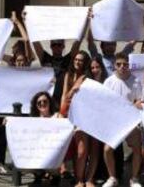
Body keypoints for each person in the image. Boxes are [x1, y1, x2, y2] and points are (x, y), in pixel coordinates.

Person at [102, 52, 143, 187]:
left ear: (129, 65)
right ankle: (113, 177)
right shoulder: (108, 82)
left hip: (131, 122)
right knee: (107, 150)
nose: (122, 67)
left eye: (125, 64)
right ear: (115, 66)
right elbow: (104, 102)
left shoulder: (136, 81)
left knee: (137, 149)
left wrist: (138, 104)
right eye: (119, 64)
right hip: (114, 122)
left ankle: (134, 179)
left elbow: (140, 101)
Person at [59, 50, 91, 187]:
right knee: (64, 145)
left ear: (85, 63)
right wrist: (61, 111)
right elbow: (64, 94)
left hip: (81, 115)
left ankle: (80, 179)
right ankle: (62, 171)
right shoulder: (68, 74)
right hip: (66, 112)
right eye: (76, 59)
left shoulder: (87, 77)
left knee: (81, 150)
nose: (78, 62)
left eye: (81, 60)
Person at [85, 56, 108, 186]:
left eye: (97, 67)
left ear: (101, 68)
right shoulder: (86, 82)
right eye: (92, 67)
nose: (95, 70)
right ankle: (86, 177)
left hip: (103, 120)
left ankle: (93, 177)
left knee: (97, 149)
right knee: (88, 150)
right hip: (89, 119)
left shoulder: (108, 82)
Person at [29, 91, 60, 185]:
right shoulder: (33, 120)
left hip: (53, 150)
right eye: (39, 102)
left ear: (50, 102)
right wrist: (9, 120)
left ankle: (55, 176)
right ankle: (38, 174)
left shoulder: (57, 116)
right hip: (37, 150)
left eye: (45, 101)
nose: (42, 103)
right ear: (36, 106)